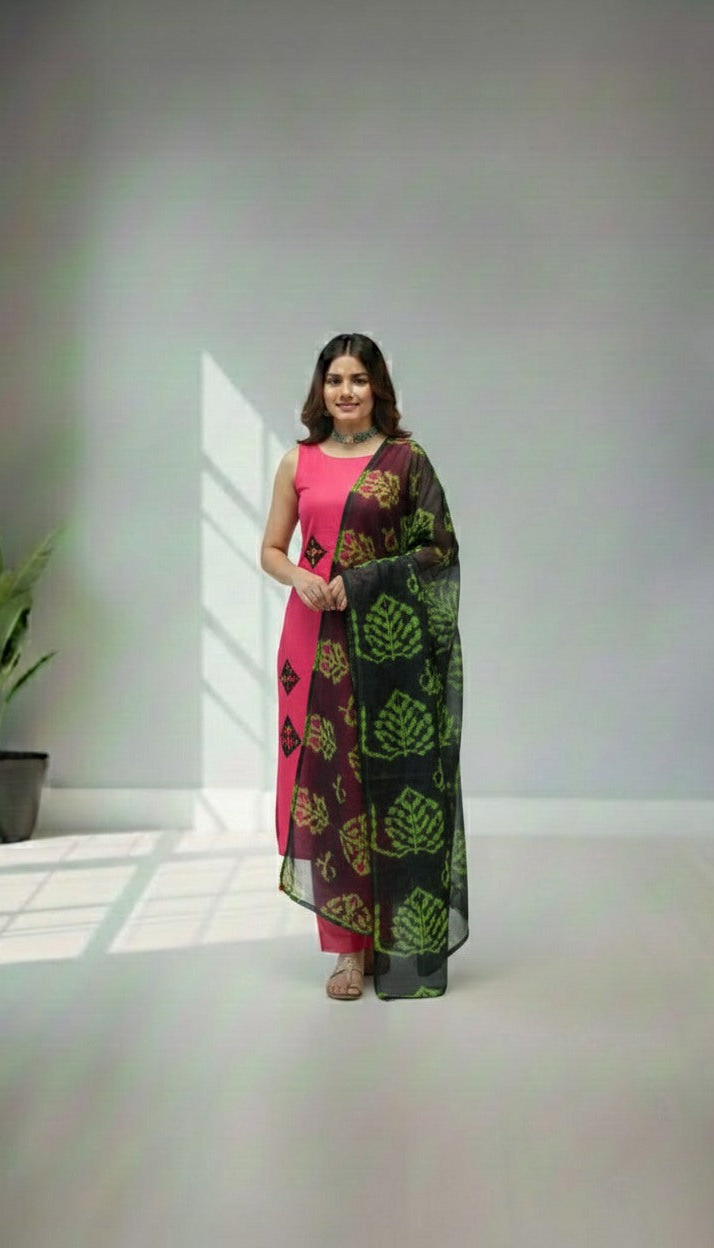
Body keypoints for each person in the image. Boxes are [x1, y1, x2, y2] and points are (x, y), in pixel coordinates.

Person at [260, 333, 468, 1000]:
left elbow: (439, 549)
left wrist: (365, 580)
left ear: (377, 387)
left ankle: (389, 932)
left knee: (384, 780)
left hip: (385, 643)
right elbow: (271, 549)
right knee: (327, 788)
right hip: (310, 641)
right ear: (320, 390)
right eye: (334, 380)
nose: (345, 391)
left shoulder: (407, 461)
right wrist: (300, 577)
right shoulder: (297, 461)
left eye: (357, 378)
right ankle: (347, 952)